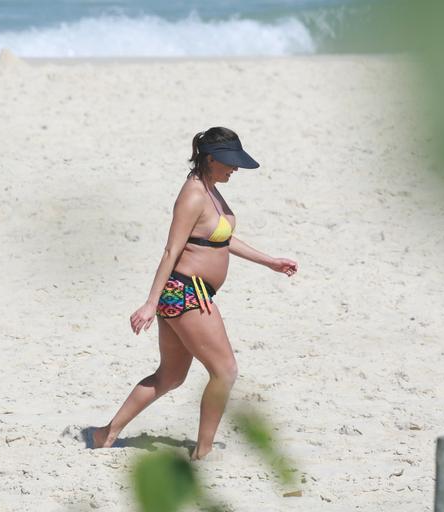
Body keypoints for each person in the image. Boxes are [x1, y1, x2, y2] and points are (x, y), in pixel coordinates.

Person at [89, 127, 298, 460]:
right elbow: (171, 250)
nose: (236, 168)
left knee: (170, 376)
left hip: (187, 293)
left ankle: (105, 434)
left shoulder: (211, 188)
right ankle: (203, 451)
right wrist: (150, 302)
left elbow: (222, 239)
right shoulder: (194, 194)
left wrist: (269, 261)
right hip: (187, 293)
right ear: (210, 158)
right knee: (225, 371)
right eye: (230, 162)